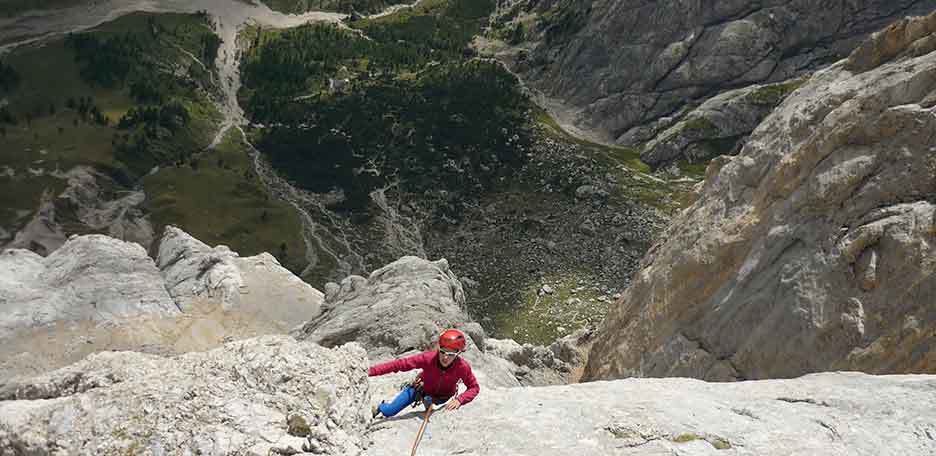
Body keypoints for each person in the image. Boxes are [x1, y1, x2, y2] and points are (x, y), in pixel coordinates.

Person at [369, 329, 480, 418]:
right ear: (439, 348)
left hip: (442, 397)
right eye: (443, 352)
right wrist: (370, 371)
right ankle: (380, 407)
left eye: (451, 354)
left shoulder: (462, 367)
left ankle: (429, 401)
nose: (445, 357)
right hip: (420, 389)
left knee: (431, 401)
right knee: (389, 412)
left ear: (458, 353)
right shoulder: (428, 358)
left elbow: (474, 387)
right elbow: (399, 365)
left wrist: (460, 399)